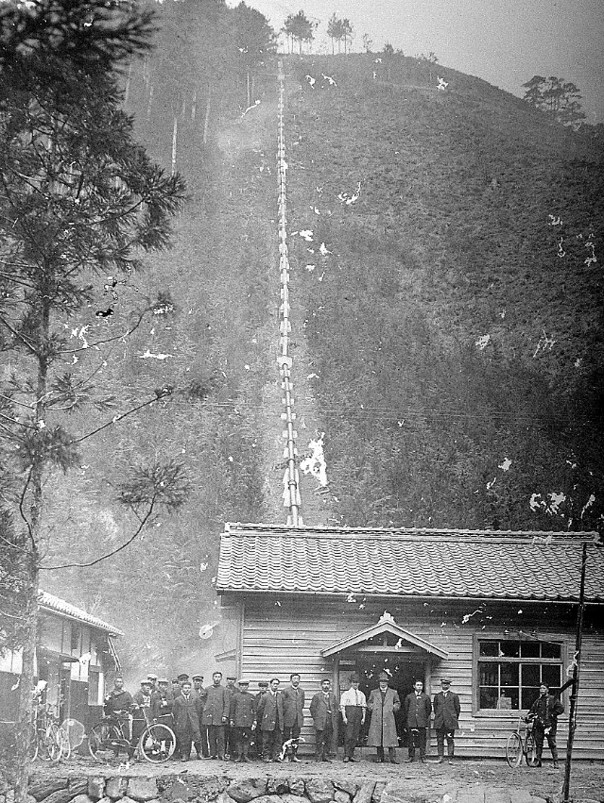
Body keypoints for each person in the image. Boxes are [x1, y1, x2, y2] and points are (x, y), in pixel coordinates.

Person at [367, 671, 401, 763]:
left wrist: (393, 708)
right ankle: (380, 757)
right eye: (381, 681)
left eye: (384, 681)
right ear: (379, 682)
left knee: (390, 738)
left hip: (388, 717)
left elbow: (397, 702)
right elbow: (369, 702)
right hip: (377, 718)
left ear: (387, 682)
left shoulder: (393, 692)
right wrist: (372, 707)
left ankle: (392, 757)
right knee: (379, 738)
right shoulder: (373, 692)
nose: (383, 683)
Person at [529, 683, 564, 768]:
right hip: (539, 725)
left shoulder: (553, 699)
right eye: (540, 688)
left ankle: (556, 762)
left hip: (549, 725)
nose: (542, 690)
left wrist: (553, 714)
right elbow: (532, 711)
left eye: (544, 688)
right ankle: (538, 762)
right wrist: (528, 716)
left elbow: (561, 708)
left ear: (547, 690)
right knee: (538, 744)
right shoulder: (538, 701)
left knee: (552, 744)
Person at [201, 671, 229, 759]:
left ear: (221, 678)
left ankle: (221, 754)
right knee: (211, 737)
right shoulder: (207, 689)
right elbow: (202, 701)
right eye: (215, 677)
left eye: (218, 677)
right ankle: (213, 754)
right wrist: (206, 710)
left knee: (221, 737)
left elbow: (227, 703)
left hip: (220, 717)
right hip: (210, 717)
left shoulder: (224, 690)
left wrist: (225, 715)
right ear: (213, 678)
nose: (217, 678)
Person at [432, 678, 460, 764]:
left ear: (449, 685)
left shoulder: (454, 696)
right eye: (444, 684)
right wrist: (440, 716)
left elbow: (457, 709)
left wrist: (452, 718)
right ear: (441, 685)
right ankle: (440, 757)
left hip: (450, 722)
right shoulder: (437, 696)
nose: (445, 685)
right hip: (440, 722)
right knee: (440, 740)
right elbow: (435, 709)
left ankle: (450, 758)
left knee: (450, 740)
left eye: (447, 684)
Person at [310, 678, 338, 763]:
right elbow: (312, 708)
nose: (326, 686)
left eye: (327, 684)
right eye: (324, 684)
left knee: (328, 740)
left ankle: (325, 756)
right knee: (319, 740)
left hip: (330, 721)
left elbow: (336, 708)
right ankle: (318, 757)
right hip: (320, 722)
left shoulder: (333, 696)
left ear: (330, 686)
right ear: (321, 685)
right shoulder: (317, 696)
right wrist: (317, 718)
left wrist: (332, 713)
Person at [172, 680, 202, 761]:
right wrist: (179, 721)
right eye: (185, 688)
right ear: (182, 689)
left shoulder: (195, 699)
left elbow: (199, 710)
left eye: (188, 688)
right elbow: (175, 712)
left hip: (193, 721)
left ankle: (199, 753)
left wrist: (195, 719)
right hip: (183, 722)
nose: (187, 690)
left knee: (197, 738)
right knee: (184, 739)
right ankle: (185, 755)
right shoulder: (178, 700)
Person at [340, 673, 366, 763]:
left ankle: (351, 754)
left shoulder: (361, 694)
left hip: (358, 714)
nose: (355, 684)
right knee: (349, 735)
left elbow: (363, 707)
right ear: (351, 683)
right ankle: (346, 755)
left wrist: (363, 718)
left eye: (357, 682)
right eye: (354, 682)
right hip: (349, 714)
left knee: (355, 736)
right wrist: (344, 717)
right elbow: (342, 707)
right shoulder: (346, 694)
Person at [403, 679, 432, 763]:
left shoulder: (426, 697)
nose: (419, 687)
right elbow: (406, 709)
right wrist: (410, 718)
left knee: (422, 740)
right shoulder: (409, 697)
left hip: (421, 722)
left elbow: (428, 709)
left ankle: (423, 756)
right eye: (418, 685)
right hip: (411, 722)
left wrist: (423, 717)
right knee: (411, 740)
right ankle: (411, 756)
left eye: (421, 685)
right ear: (414, 686)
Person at [256, 677, 284, 762]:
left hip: (278, 722)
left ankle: (276, 756)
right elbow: (260, 710)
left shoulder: (280, 696)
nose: (275, 685)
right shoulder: (265, 696)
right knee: (267, 740)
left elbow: (283, 709)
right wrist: (263, 719)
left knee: (277, 740)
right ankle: (266, 756)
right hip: (267, 722)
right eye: (274, 684)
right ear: (270, 685)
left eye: (277, 684)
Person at [229, 679, 257, 762]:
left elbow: (254, 710)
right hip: (238, 722)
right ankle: (239, 755)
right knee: (238, 739)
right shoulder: (235, 696)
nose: (243, 687)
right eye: (242, 685)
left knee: (247, 739)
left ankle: (245, 755)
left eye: (245, 685)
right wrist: (231, 720)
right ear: (239, 686)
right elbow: (232, 709)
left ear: (247, 686)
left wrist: (254, 720)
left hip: (248, 722)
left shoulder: (251, 697)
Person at [282, 672, 305, 762]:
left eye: (297, 679)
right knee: (286, 737)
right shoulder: (286, 691)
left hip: (298, 718)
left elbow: (302, 704)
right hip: (288, 718)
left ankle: (294, 755)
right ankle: (285, 756)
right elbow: (283, 705)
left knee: (296, 737)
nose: (296, 681)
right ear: (291, 680)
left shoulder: (301, 691)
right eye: (294, 679)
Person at [104, 676, 134, 742]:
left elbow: (131, 704)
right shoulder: (111, 694)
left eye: (120, 682)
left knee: (125, 733)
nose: (119, 683)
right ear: (114, 683)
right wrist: (108, 714)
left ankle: (124, 745)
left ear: (123, 683)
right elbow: (106, 705)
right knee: (114, 733)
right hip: (113, 716)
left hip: (123, 716)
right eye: (117, 682)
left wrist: (128, 711)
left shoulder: (127, 694)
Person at [192, 674, 209, 757]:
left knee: (203, 734)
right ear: (193, 682)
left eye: (199, 681)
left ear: (202, 682)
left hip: (202, 716)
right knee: (195, 734)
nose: (197, 683)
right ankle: (197, 752)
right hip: (193, 716)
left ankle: (205, 753)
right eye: (196, 681)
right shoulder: (191, 691)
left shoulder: (204, 691)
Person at [132, 679, 154, 744]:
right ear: (142, 686)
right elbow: (133, 703)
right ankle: (133, 748)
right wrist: (137, 706)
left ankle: (143, 748)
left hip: (148, 718)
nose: (148, 687)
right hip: (139, 718)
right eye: (146, 686)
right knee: (137, 735)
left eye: (149, 686)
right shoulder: (137, 695)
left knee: (146, 735)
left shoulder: (150, 695)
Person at [254, 680, 269, 759]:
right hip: (259, 720)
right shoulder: (256, 697)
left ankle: (266, 753)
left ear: (267, 688)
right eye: (261, 687)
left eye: (264, 687)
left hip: (267, 719)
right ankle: (259, 753)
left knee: (266, 737)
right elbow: (255, 709)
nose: (263, 689)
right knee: (258, 737)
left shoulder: (269, 696)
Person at [224, 676, 237, 758]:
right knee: (224, 735)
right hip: (225, 716)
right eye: (229, 680)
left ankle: (232, 752)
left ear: (235, 681)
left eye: (232, 680)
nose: (231, 681)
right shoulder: (223, 690)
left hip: (234, 715)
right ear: (227, 680)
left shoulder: (237, 691)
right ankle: (224, 752)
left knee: (233, 735)